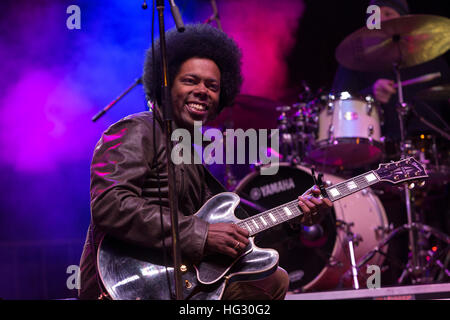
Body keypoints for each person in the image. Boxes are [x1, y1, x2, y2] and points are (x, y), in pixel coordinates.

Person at [78, 23, 332, 300]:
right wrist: (202, 234)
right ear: (165, 85)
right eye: (190, 81)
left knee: (273, 278)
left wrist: (297, 216)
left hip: (177, 280)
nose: (203, 91)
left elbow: (235, 233)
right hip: (123, 283)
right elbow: (110, 204)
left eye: (212, 86)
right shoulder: (138, 130)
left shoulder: (187, 152)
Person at [332, 0, 450, 142]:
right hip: (378, 153)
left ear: (404, 21)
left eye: (388, 14)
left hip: (432, 150)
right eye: (374, 16)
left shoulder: (432, 61)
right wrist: (370, 96)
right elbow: (338, 109)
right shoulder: (352, 61)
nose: (381, 20)